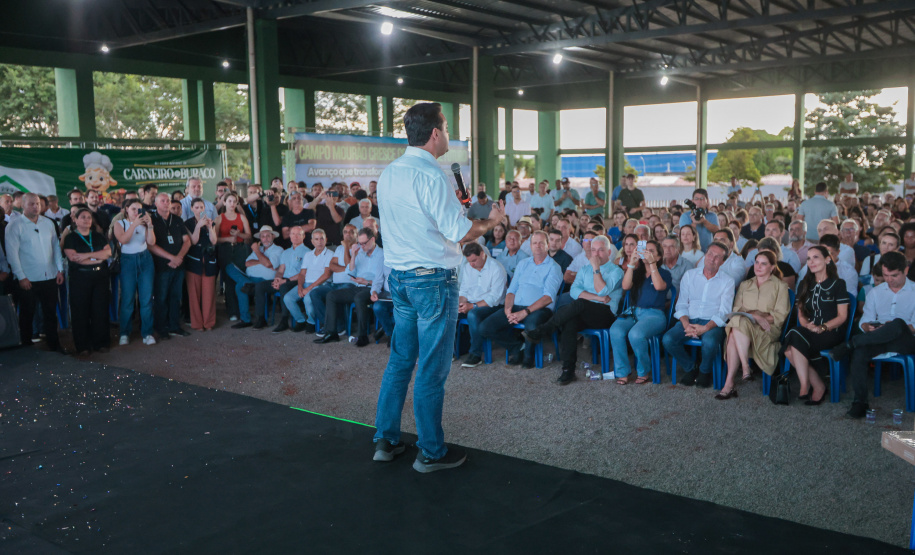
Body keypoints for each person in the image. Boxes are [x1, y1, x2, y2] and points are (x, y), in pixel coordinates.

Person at [373, 102, 505, 472]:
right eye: (446, 129)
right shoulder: (431, 175)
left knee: (401, 360)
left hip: (399, 278)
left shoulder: (390, 173)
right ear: (435, 134)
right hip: (432, 279)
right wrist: (492, 220)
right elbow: (462, 234)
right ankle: (430, 452)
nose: (447, 135)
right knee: (431, 367)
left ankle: (385, 440)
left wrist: (464, 214)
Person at [522, 235, 621, 384]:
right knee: (570, 322)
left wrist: (596, 269)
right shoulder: (584, 269)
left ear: (609, 252)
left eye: (601, 250)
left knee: (580, 303)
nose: (596, 254)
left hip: (606, 314)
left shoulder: (616, 271)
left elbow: (602, 290)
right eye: (593, 250)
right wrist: (597, 297)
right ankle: (568, 370)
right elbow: (574, 291)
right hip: (585, 311)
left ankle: (544, 329)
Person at [828, 252, 915, 419]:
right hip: (878, 338)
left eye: (894, 275)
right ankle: (860, 402)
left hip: (906, 339)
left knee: (897, 324)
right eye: (886, 275)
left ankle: (851, 343)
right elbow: (866, 319)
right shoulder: (876, 292)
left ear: (905, 270)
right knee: (860, 352)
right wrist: (867, 326)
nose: (889, 280)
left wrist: (891, 327)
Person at [479, 231, 562, 370]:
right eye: (534, 243)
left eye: (541, 243)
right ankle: (517, 347)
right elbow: (511, 290)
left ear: (547, 245)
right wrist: (507, 309)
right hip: (516, 306)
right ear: (530, 245)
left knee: (532, 324)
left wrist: (525, 312)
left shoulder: (554, 267)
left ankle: (528, 357)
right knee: (485, 327)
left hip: (540, 309)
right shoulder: (523, 264)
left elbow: (548, 298)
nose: (537, 246)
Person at [715, 250, 791, 400]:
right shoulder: (745, 284)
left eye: (764, 264)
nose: (758, 266)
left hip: (767, 329)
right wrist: (756, 316)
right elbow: (736, 309)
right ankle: (743, 369)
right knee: (739, 323)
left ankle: (731, 382)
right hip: (744, 326)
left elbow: (780, 316)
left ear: (772, 267)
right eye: (756, 262)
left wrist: (756, 317)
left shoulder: (780, 286)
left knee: (735, 330)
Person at [662, 242, 735, 388]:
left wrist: (706, 327)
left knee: (710, 342)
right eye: (710, 254)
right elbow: (681, 304)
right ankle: (691, 368)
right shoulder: (690, 275)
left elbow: (724, 312)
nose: (712, 259)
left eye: (717, 257)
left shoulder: (727, 281)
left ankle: (704, 371)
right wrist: (686, 324)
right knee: (668, 339)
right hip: (689, 319)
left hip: (711, 321)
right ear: (705, 255)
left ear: (723, 261)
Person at [782, 246, 849, 404]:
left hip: (831, 332)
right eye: (809, 258)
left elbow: (842, 316)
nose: (811, 262)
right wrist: (809, 326)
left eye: (816, 257)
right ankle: (816, 385)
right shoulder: (804, 284)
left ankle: (808, 385)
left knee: (790, 344)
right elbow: (801, 315)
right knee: (791, 345)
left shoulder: (838, 284)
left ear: (827, 259)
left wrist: (822, 327)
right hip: (809, 330)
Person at [5, 193, 65, 351]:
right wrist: (21, 276)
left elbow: (56, 247)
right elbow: (12, 255)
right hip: (28, 278)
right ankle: (26, 346)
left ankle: (54, 345)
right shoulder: (14, 225)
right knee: (27, 314)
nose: (35, 207)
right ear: (22, 205)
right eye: (31, 204)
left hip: (50, 276)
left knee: (50, 313)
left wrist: (60, 269)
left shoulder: (48, 223)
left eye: (37, 203)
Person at [609, 239, 671, 384]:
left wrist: (652, 264)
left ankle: (643, 371)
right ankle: (622, 371)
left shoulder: (664, 273)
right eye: (645, 250)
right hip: (634, 311)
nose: (647, 253)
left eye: (651, 251)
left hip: (654, 315)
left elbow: (659, 287)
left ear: (658, 257)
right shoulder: (637, 272)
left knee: (635, 334)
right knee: (615, 330)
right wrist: (631, 264)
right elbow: (625, 286)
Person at [314, 227, 385, 346]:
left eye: (364, 243)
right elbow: (350, 272)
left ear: (373, 239)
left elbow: (380, 280)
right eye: (360, 243)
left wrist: (367, 282)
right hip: (358, 286)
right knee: (331, 295)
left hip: (372, 288)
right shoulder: (360, 252)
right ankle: (332, 332)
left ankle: (362, 336)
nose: (362, 246)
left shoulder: (381, 254)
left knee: (359, 298)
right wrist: (353, 256)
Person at [62, 207, 112, 355]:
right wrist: (97, 258)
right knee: (80, 311)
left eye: (89, 217)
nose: (86, 220)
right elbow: (74, 258)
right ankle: (83, 346)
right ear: (75, 220)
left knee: (100, 310)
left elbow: (108, 253)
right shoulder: (70, 238)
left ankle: (100, 343)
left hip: (100, 277)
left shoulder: (98, 236)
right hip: (80, 278)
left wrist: (85, 256)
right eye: (83, 217)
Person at [113, 199, 157, 346]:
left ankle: (147, 333)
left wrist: (149, 226)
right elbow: (123, 240)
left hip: (145, 259)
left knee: (146, 298)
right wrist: (134, 224)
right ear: (126, 209)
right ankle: (124, 333)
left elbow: (151, 242)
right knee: (128, 298)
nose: (136, 212)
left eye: (139, 209)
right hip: (128, 260)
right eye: (133, 209)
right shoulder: (120, 224)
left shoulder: (144, 223)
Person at [457, 242, 508, 368]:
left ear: (482, 254)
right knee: (450, 311)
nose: (472, 264)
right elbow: (463, 291)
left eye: (474, 260)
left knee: (473, 314)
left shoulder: (496, 268)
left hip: (493, 306)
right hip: (472, 303)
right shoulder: (468, 267)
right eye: (469, 261)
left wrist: (472, 306)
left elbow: (494, 298)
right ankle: (453, 351)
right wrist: (461, 303)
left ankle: (475, 354)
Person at [149, 193, 191, 339]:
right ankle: (161, 327)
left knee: (175, 297)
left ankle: (174, 326)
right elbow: (150, 245)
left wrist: (179, 257)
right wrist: (171, 258)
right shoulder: (151, 220)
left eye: (168, 200)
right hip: (161, 266)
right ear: (156, 204)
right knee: (161, 298)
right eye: (163, 201)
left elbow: (187, 241)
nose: (166, 203)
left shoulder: (178, 220)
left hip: (178, 266)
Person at [227, 226, 283, 329]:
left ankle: (245, 319)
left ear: (273, 236)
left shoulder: (278, 249)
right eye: (263, 236)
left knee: (239, 286)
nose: (265, 239)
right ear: (260, 238)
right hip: (250, 279)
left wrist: (257, 251)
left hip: (265, 281)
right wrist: (262, 260)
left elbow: (268, 264)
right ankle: (246, 282)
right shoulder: (260, 248)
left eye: (268, 236)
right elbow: (247, 263)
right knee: (229, 267)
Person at [284, 228, 334, 333]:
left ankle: (311, 322)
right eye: (316, 239)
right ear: (312, 241)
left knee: (308, 298)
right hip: (306, 283)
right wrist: (300, 287)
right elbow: (302, 274)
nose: (319, 242)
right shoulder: (308, 255)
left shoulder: (330, 254)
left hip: (321, 284)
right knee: (288, 298)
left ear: (326, 240)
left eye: (322, 239)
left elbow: (326, 275)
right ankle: (301, 320)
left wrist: (308, 289)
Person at [215, 192, 252, 322]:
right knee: (228, 281)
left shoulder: (242, 217)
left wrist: (238, 234)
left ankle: (243, 310)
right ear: (224, 202)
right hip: (225, 250)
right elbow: (214, 239)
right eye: (229, 201)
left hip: (240, 249)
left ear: (237, 203)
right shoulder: (219, 218)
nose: (232, 204)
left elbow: (249, 236)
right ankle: (232, 311)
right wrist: (228, 239)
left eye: (234, 201)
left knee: (241, 278)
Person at [185, 197, 218, 331]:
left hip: (208, 261)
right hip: (194, 262)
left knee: (209, 293)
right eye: (197, 207)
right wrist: (198, 226)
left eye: (201, 207)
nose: (199, 210)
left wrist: (210, 227)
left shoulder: (210, 222)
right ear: (192, 209)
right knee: (194, 294)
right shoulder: (187, 223)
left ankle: (208, 322)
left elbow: (214, 241)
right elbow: (193, 241)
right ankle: (197, 323)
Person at [269, 226, 310, 333]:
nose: (295, 236)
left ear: (303, 236)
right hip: (284, 280)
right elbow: (281, 270)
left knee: (284, 287)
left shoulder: (308, 252)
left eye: (298, 234)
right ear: (289, 236)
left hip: (298, 281)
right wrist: (277, 279)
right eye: (293, 234)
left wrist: (285, 281)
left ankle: (284, 320)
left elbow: (304, 273)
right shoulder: (285, 252)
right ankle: (260, 318)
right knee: (260, 286)